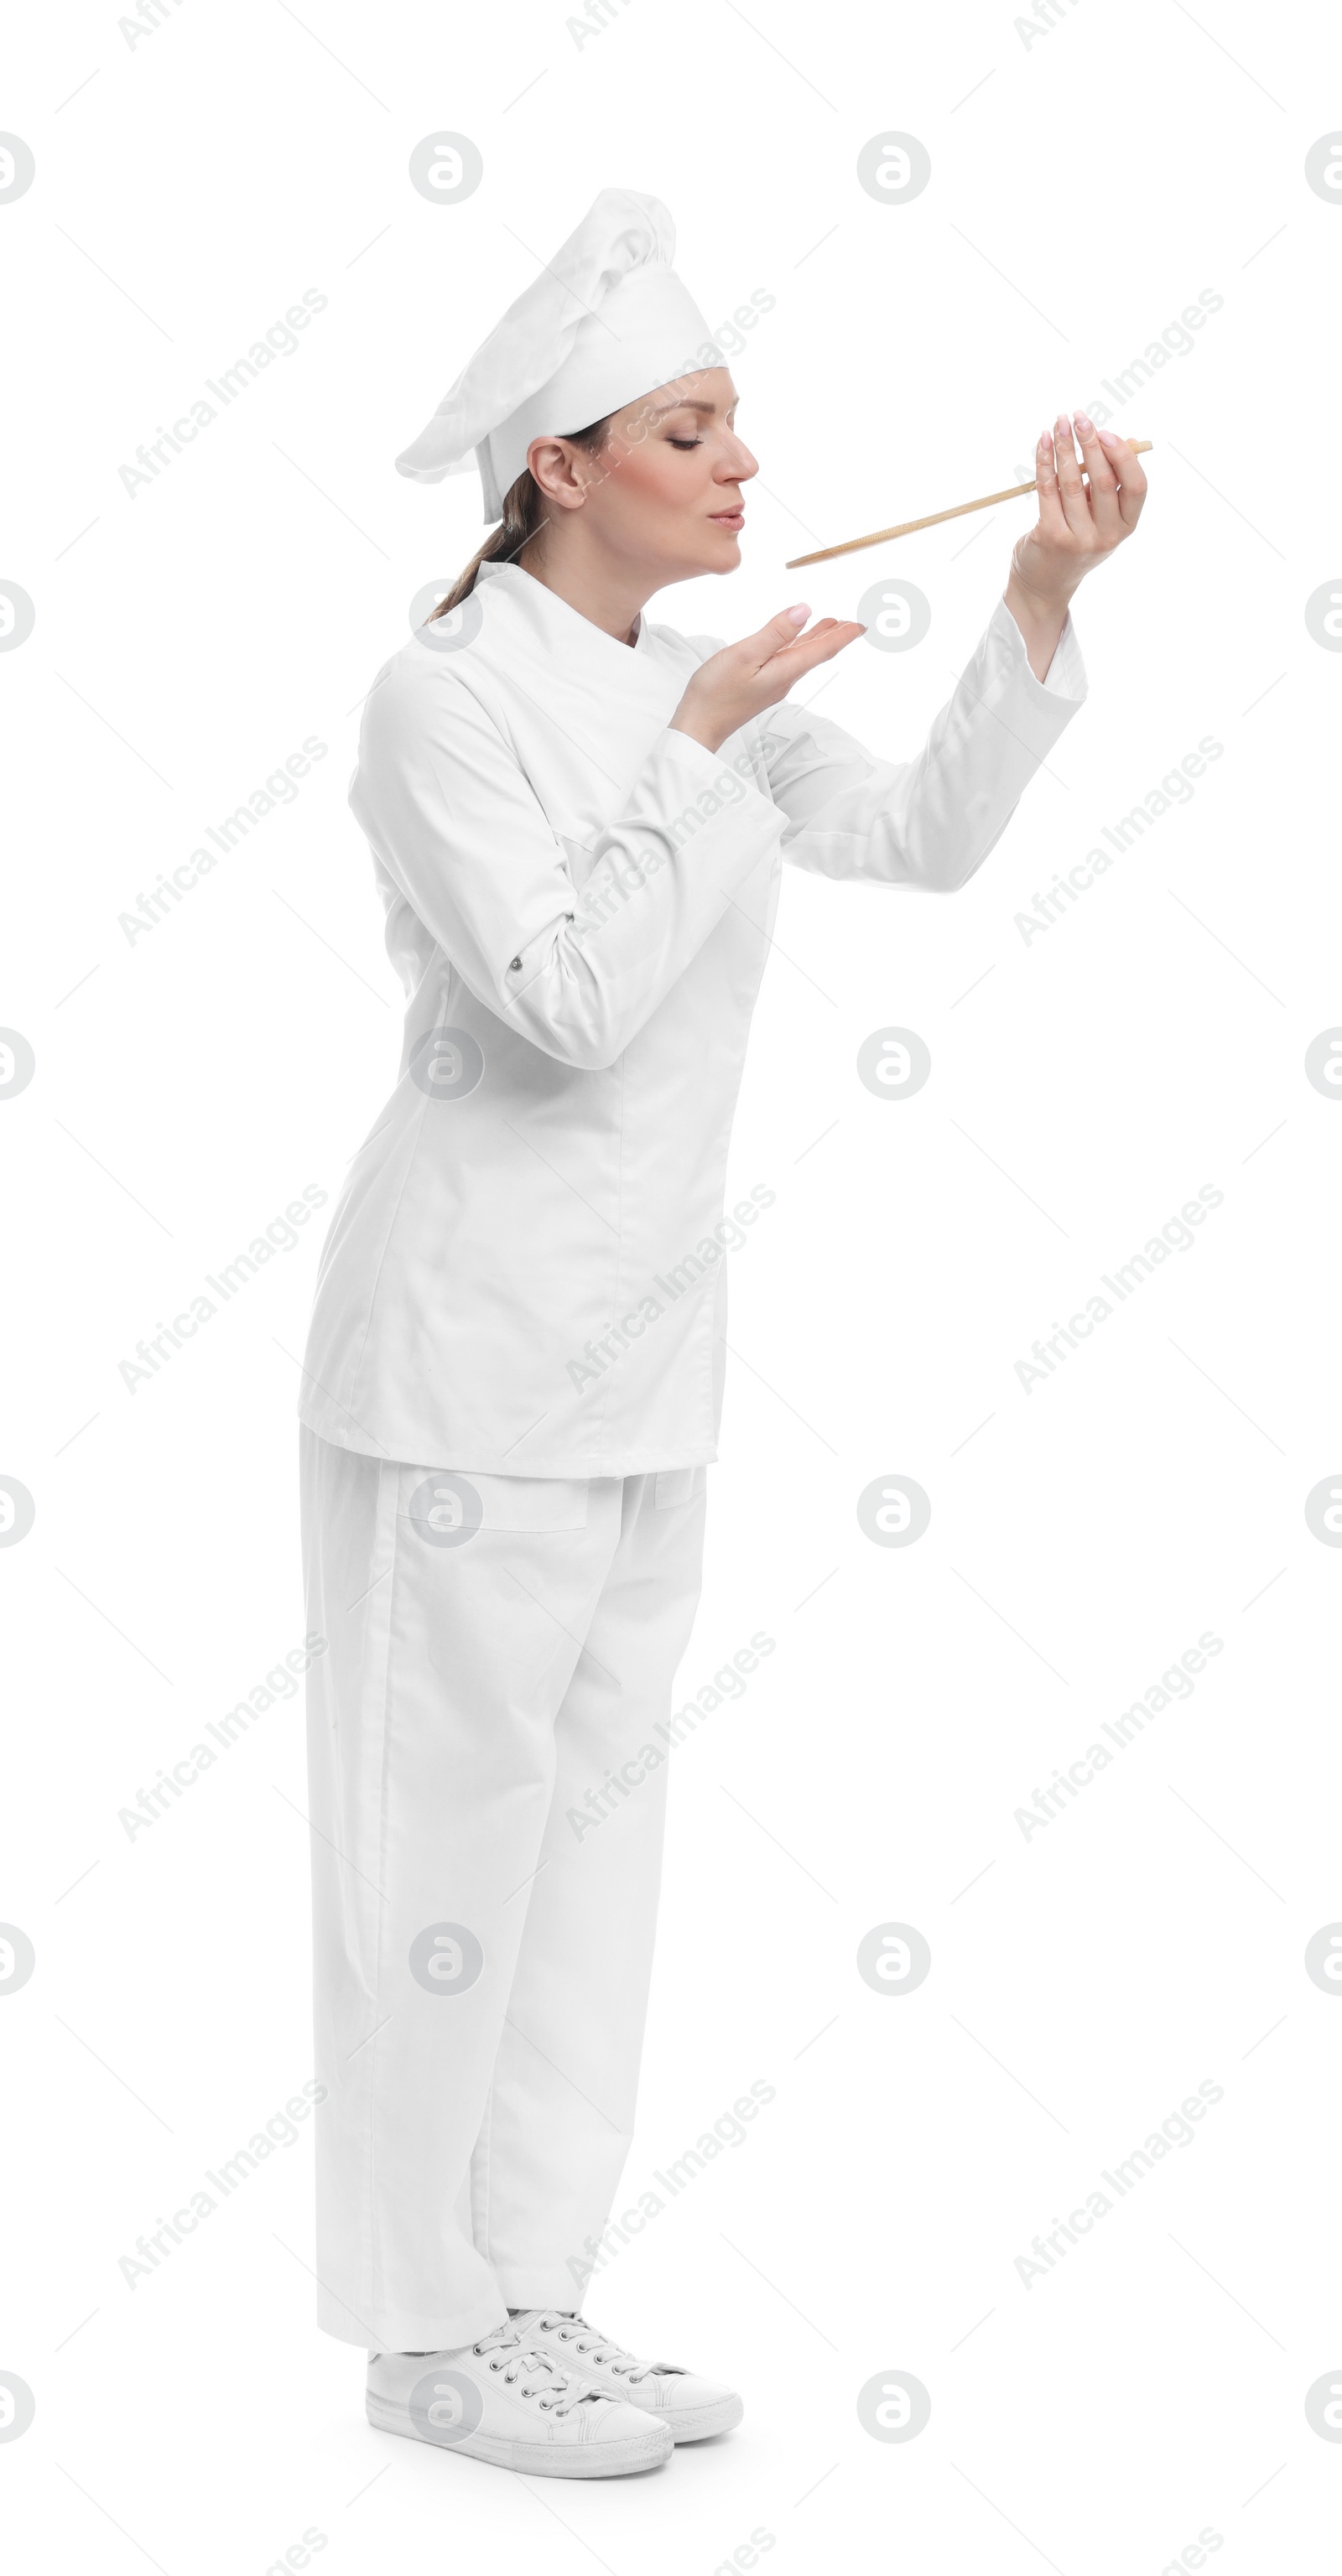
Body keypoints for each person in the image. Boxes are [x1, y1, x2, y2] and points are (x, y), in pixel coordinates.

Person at [298, 187, 1147, 2480]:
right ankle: (417, 2332)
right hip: (466, 1358)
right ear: (559, 466)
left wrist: (1039, 601)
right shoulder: (444, 698)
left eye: (740, 426)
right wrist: (700, 739)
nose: (746, 468)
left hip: (644, 1360)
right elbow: (563, 1001)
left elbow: (928, 838)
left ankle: (529, 2304)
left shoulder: (699, 703)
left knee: (584, 1853)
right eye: (691, 429)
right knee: (442, 1852)